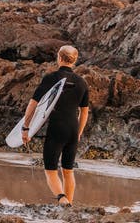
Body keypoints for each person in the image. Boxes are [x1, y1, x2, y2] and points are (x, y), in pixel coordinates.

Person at [21, 45, 91, 206]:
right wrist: (78, 133)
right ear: (75, 60)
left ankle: (62, 198)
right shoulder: (82, 83)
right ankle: (69, 206)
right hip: (73, 129)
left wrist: (26, 127)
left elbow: (33, 105)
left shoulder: (51, 78)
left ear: (59, 58)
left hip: (57, 128)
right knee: (68, 171)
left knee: (51, 170)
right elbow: (84, 112)